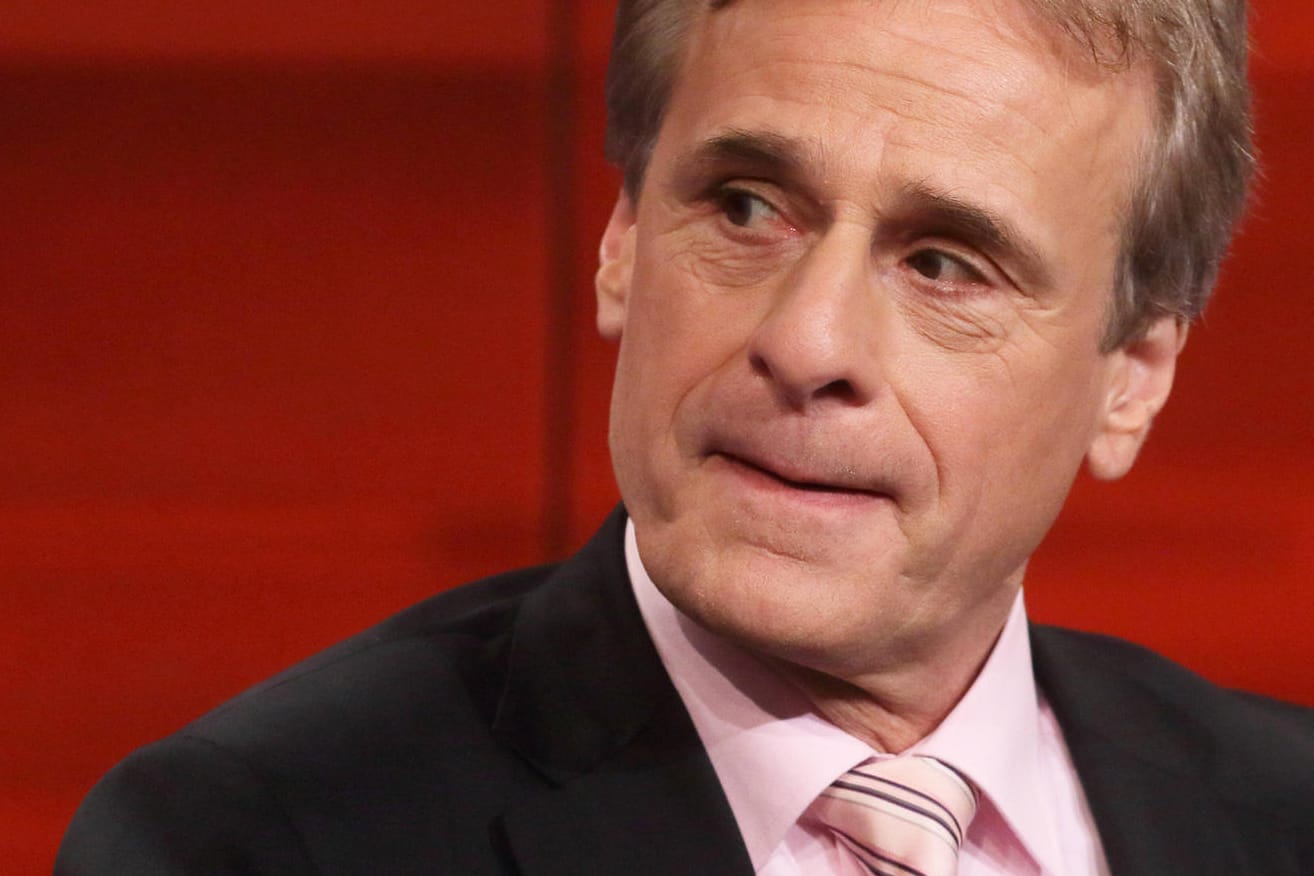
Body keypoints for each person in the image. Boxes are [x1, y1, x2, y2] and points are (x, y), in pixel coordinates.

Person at [57, 0, 1314, 874]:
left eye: (945, 264)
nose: (806, 341)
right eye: (747, 206)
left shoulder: (1284, 815)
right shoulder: (263, 840)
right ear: (622, 242)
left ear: (1132, 378)